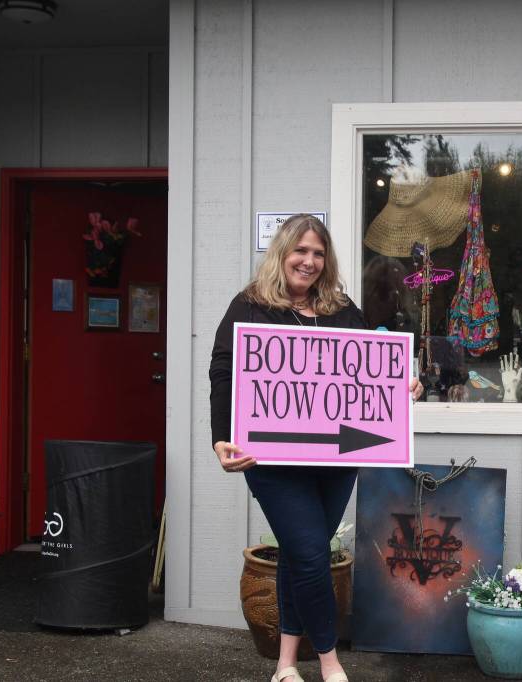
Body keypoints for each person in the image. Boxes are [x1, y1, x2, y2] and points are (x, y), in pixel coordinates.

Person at [209, 214, 422, 682]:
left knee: (298, 554)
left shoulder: (343, 308)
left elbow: (370, 373)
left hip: (336, 461)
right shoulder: (249, 306)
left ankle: (285, 665)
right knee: (309, 554)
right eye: (300, 251)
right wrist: (220, 439)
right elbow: (223, 373)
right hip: (272, 461)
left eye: (318, 253)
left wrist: (405, 384)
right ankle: (329, 663)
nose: (309, 261)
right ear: (282, 253)